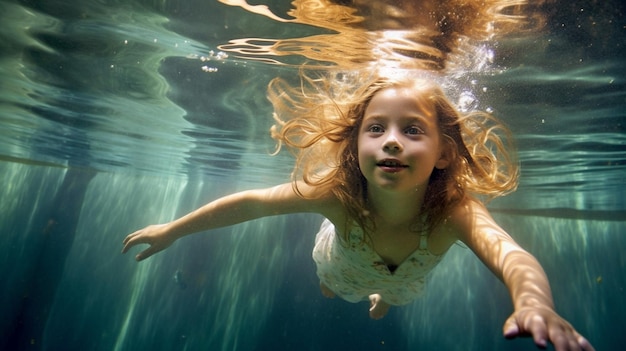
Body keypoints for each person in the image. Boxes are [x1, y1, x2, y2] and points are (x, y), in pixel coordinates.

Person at [122, 73, 594, 351]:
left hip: (406, 281)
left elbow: (510, 254)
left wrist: (535, 303)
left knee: (396, 296)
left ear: (444, 152)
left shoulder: (455, 212)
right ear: (356, 144)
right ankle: (345, 288)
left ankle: (383, 299)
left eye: (412, 129)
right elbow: (251, 203)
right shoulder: (338, 194)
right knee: (333, 284)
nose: (391, 139)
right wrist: (173, 230)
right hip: (340, 262)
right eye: (376, 128)